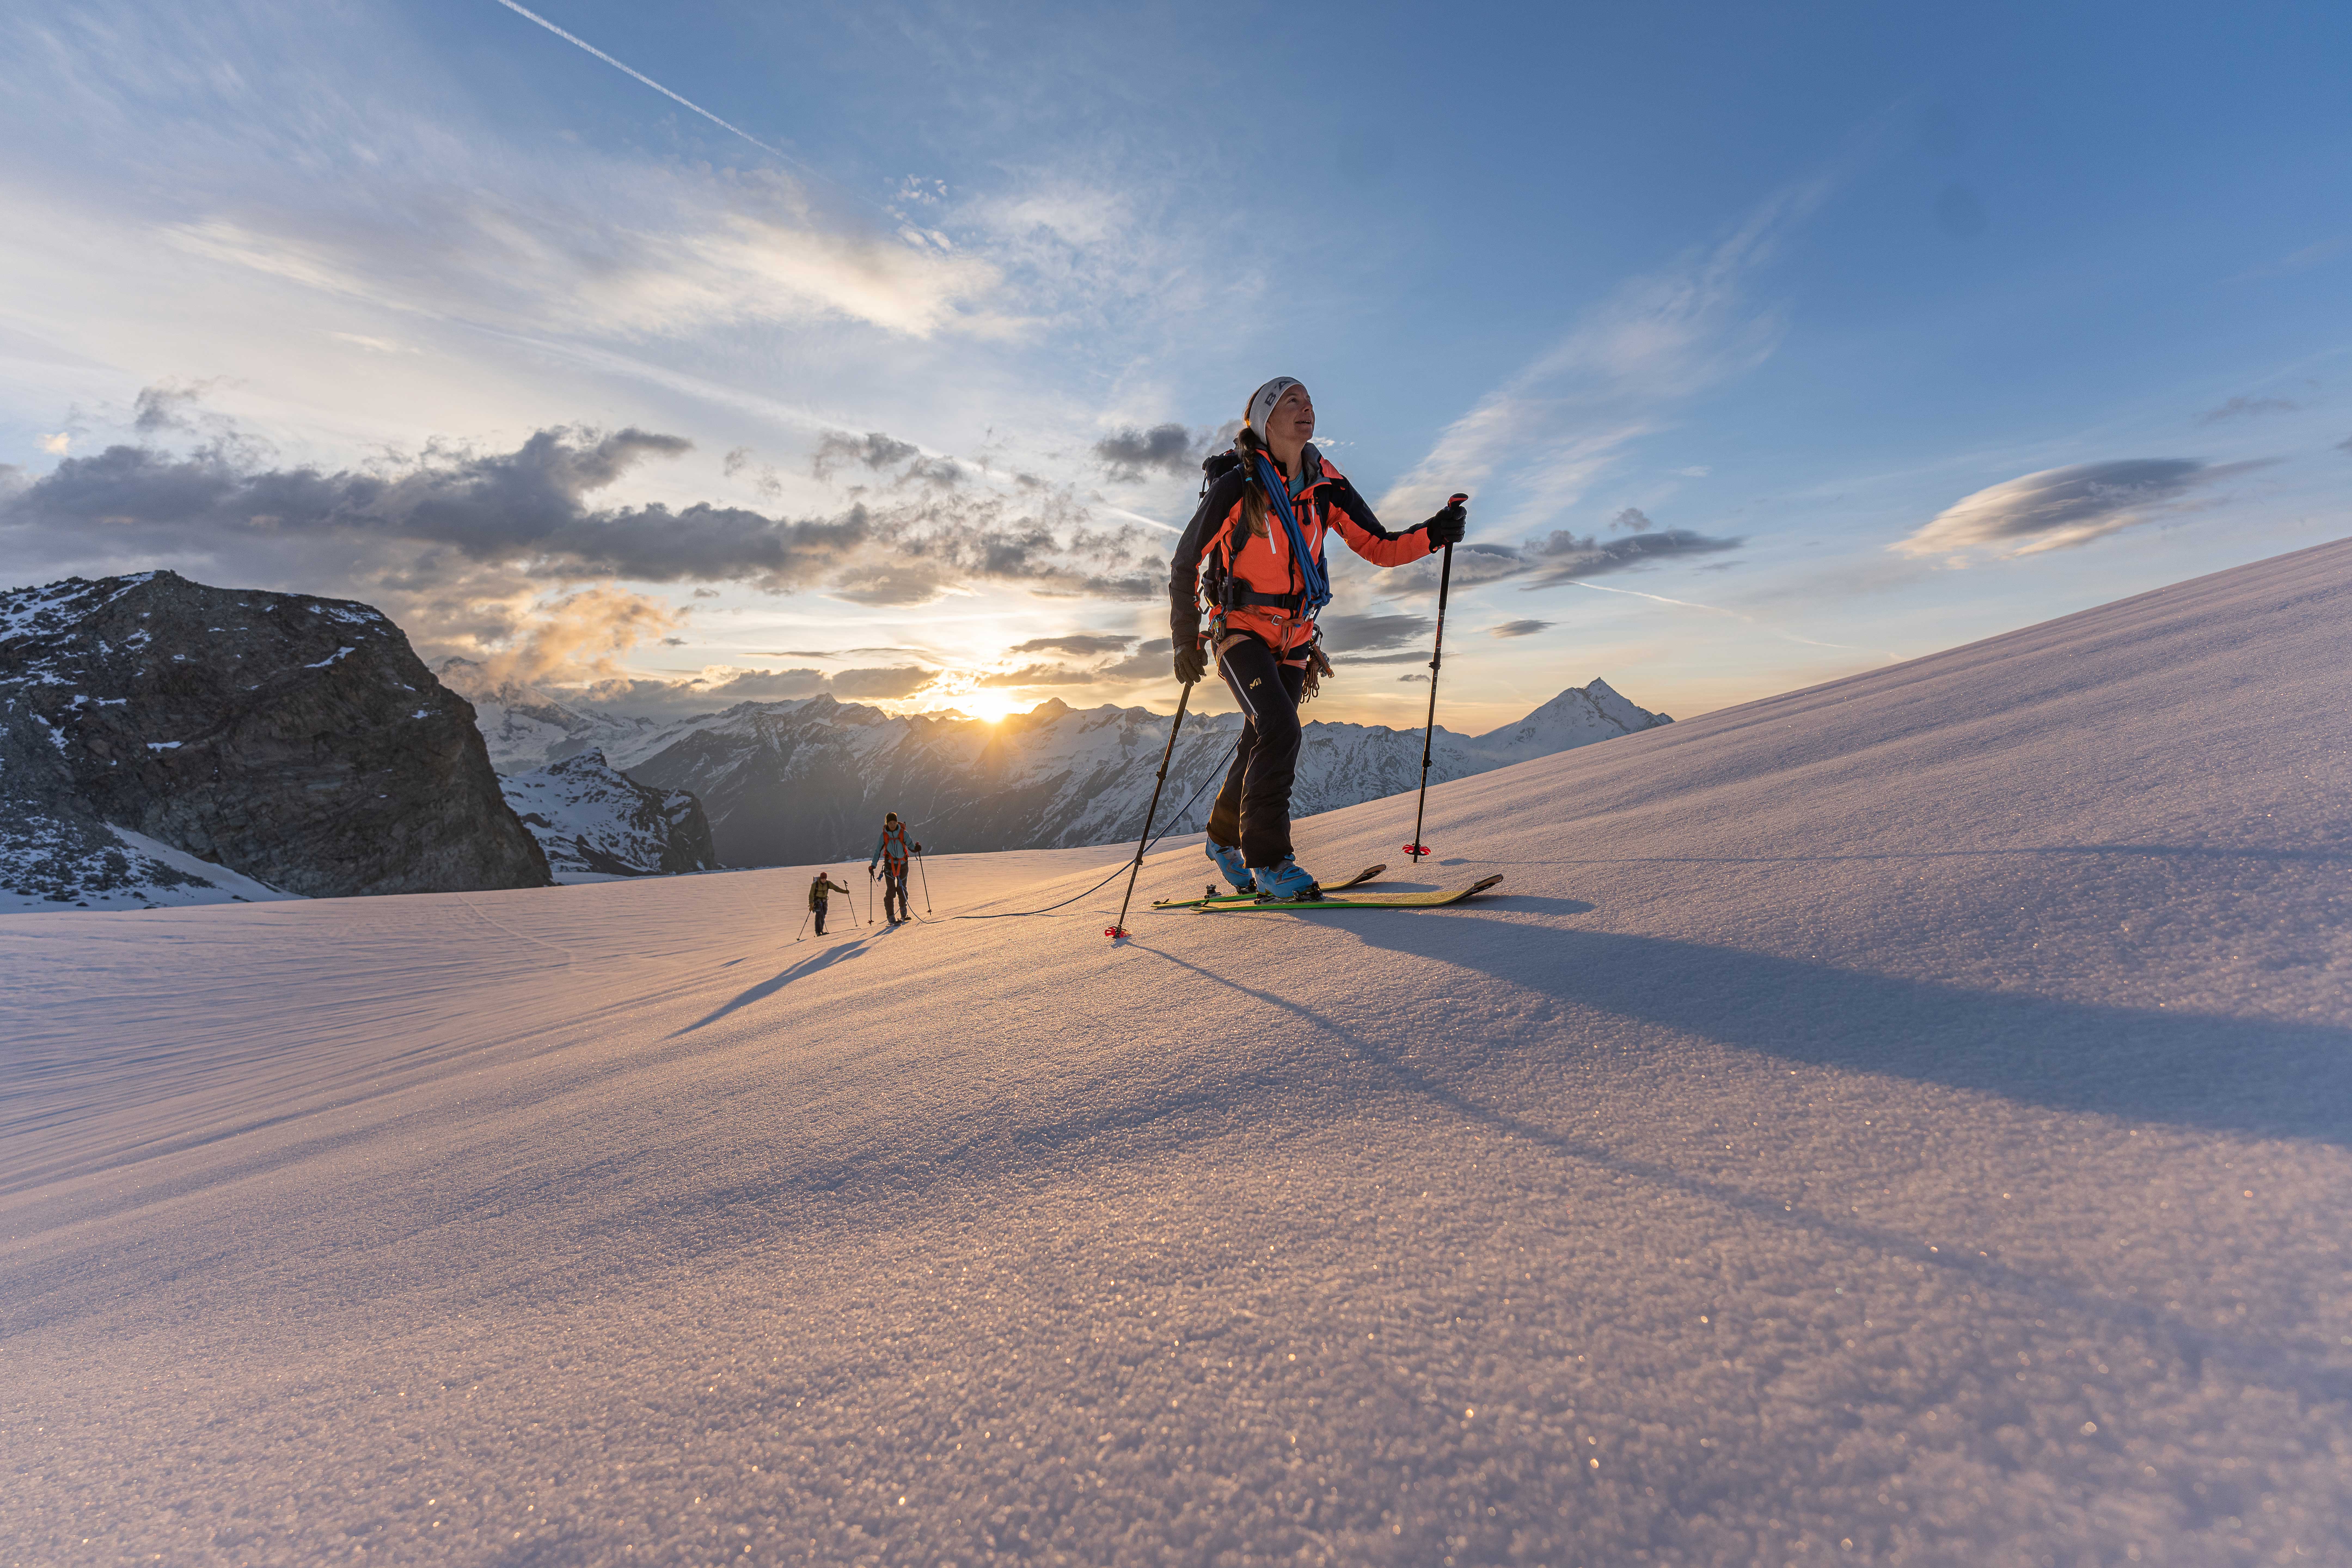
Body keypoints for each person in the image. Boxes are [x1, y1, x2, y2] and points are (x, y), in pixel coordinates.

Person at [1168, 377, 1466, 899]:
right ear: (1265, 420)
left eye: (1308, 401)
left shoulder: (1326, 485)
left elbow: (1379, 545)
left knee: (1261, 737)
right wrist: (1183, 638)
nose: (1306, 408)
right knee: (1279, 729)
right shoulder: (1237, 486)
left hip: (1297, 637)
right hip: (1240, 631)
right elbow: (1186, 561)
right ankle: (1270, 862)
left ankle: (1221, 839)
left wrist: (1434, 534)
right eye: (1292, 401)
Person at [866, 811, 923, 924]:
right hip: (890, 866)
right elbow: (878, 851)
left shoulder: (903, 833)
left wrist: (916, 848)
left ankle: (903, 912)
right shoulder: (884, 836)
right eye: (890, 823)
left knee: (902, 890)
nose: (892, 825)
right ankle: (891, 916)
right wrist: (873, 865)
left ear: (897, 822)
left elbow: (911, 845)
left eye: (894, 823)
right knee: (891, 891)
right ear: (887, 824)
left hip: (903, 865)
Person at [807, 870, 851, 936]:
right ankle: (818, 932)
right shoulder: (815, 884)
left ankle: (821, 931)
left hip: (824, 901)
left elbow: (836, 888)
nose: (824, 880)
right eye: (823, 879)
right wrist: (811, 904)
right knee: (819, 915)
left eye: (825, 879)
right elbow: (811, 895)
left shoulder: (828, 883)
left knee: (823, 915)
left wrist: (844, 892)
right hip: (817, 902)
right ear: (820, 879)